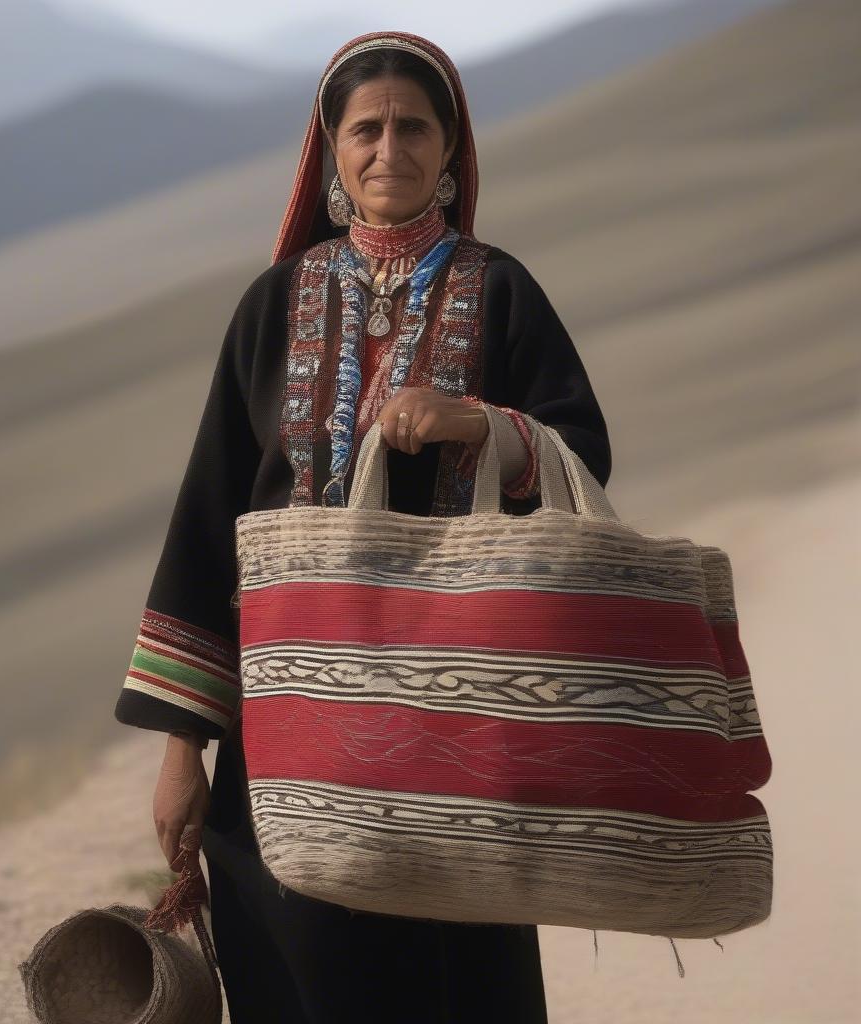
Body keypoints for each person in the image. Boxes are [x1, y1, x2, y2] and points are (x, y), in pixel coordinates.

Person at [114, 30, 612, 1023]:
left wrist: (484, 423)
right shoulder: (272, 306)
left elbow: (581, 456)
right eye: (366, 128)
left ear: (450, 146)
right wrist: (182, 751)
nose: (390, 147)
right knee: (300, 978)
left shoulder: (500, 290)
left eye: (414, 126)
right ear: (331, 150)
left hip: (454, 716)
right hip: (281, 721)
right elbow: (212, 523)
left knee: (455, 982)